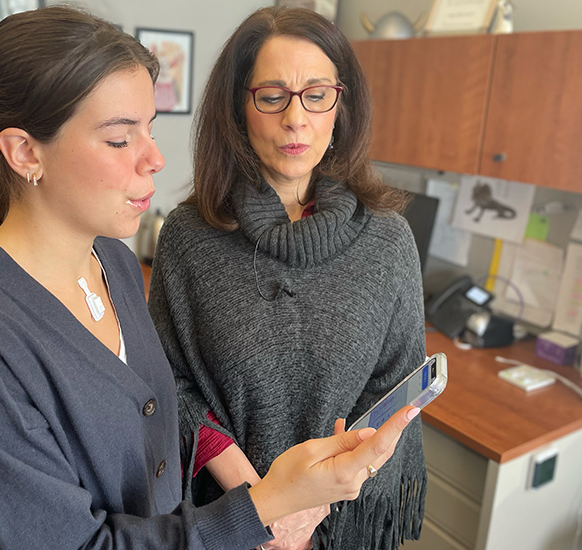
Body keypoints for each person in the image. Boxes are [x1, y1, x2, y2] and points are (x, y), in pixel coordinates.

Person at [0, 6, 420, 550]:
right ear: (26, 151)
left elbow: (156, 444)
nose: (156, 158)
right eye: (121, 139)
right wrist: (262, 508)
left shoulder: (115, 263)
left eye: (150, 129)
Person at [148, 6, 428, 550]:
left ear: (340, 106)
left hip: (345, 524)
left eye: (316, 93)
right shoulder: (188, 237)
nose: (296, 119)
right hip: (222, 520)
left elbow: (395, 399)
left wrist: (307, 514)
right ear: (239, 108)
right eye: (272, 96)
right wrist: (262, 507)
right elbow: (168, 385)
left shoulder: (389, 241)